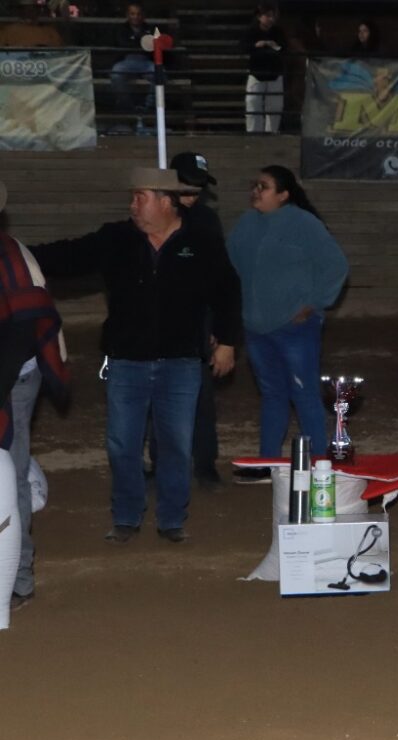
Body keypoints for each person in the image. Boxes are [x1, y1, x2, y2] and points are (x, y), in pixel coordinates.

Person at [32, 168, 241, 544]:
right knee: (122, 444)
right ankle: (126, 516)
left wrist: (227, 340)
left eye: (139, 197)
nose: (132, 205)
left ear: (166, 201)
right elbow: (66, 255)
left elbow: (227, 290)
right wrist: (16, 252)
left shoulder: (201, 241)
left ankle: (172, 518)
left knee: (176, 445)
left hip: (181, 362)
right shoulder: (116, 239)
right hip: (126, 360)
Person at [225, 165, 347, 461]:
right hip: (256, 325)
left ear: (283, 195)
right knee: (272, 394)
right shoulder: (245, 224)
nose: (256, 191)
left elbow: (336, 265)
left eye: (264, 186)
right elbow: (228, 267)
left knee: (303, 393)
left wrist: (314, 302)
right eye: (255, 185)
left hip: (295, 326)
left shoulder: (304, 224)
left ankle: (319, 462)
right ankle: (268, 461)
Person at [0, 180, 69, 621]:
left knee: (11, 471)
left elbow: (24, 329)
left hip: (12, 376)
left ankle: (17, 577)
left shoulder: (11, 258)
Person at [170, 151, 225, 489]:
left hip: (197, 321)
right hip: (158, 321)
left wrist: (218, 327)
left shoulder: (206, 221)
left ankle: (205, 464)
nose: (193, 196)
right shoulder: (151, 218)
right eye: (187, 189)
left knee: (201, 396)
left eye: (198, 190)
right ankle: (163, 462)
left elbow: (219, 278)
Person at [109, 3, 154, 130]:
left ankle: (147, 108)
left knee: (158, 73)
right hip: (126, 60)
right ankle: (128, 109)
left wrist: (136, 42)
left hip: (145, 61)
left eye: (138, 14)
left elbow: (152, 47)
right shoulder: (120, 29)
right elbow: (121, 44)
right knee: (116, 74)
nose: (136, 17)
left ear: (143, 16)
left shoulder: (150, 28)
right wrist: (140, 42)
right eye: (133, 14)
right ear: (128, 15)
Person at [243, 3, 285, 134]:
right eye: (268, 16)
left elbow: (285, 48)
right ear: (259, 17)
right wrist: (257, 46)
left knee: (275, 106)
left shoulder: (277, 32)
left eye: (273, 16)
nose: (271, 19)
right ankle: (254, 133)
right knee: (253, 104)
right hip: (257, 72)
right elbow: (243, 46)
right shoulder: (251, 31)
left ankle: (272, 133)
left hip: (274, 73)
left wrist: (273, 45)